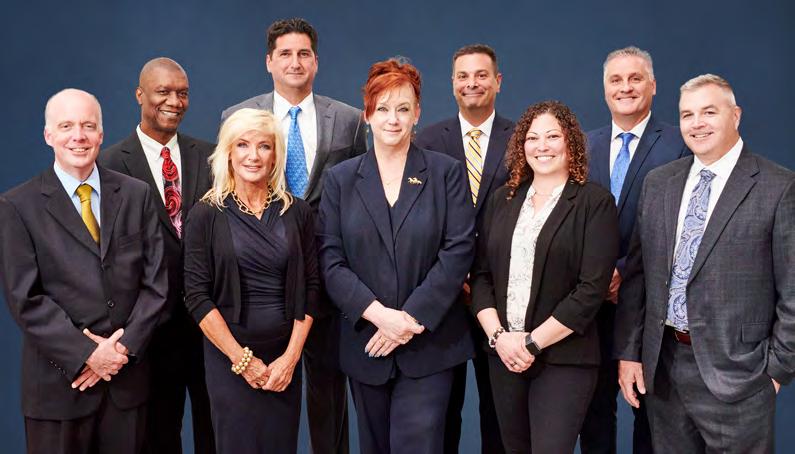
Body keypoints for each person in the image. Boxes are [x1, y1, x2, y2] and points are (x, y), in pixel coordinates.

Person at [614, 74, 795, 453]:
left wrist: (777, 370)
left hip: (740, 374)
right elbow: (639, 277)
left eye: (709, 112)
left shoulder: (778, 187)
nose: (697, 124)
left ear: (735, 115)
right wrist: (630, 353)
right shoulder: (659, 183)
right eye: (687, 115)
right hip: (664, 370)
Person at [222, 18, 366, 453]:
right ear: (269, 61)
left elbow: (359, 195)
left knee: (328, 393)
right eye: (285, 54)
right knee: (264, 398)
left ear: (316, 61)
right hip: (262, 280)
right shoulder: (239, 117)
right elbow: (229, 193)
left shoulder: (349, 120)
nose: (295, 62)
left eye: (304, 53)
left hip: (328, 275)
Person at [318, 58, 475, 454]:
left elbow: (458, 249)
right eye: (383, 108)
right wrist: (381, 317)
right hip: (367, 343)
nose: (393, 119)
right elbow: (331, 260)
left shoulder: (445, 173)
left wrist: (409, 319)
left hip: (430, 346)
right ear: (367, 113)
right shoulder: (340, 180)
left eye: (403, 109)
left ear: (417, 113)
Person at [0, 88, 167, 453]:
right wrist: (87, 353)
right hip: (58, 388)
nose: (79, 136)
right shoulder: (17, 206)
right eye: (67, 126)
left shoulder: (136, 194)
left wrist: (119, 350)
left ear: (101, 134)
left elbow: (156, 284)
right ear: (48, 135)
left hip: (126, 384)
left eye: (88, 126)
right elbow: (25, 299)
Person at [470, 100, 619, 453]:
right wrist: (499, 338)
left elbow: (591, 289)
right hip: (504, 355)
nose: (542, 146)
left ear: (571, 143)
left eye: (553, 136)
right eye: (533, 138)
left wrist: (532, 343)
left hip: (564, 358)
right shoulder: (502, 200)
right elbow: (481, 276)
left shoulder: (594, 203)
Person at [99, 57, 216, 454]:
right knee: (158, 437)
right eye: (163, 92)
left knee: (216, 434)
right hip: (147, 330)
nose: (174, 102)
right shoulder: (109, 165)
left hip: (210, 325)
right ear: (139, 95)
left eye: (182, 93)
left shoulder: (212, 157)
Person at [183, 108, 317, 453]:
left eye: (264, 146)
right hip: (229, 361)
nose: (253, 156)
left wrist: (290, 359)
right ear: (228, 152)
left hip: (283, 363)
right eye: (242, 145)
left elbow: (311, 289)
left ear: (275, 155)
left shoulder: (297, 212)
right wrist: (243, 361)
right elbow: (196, 297)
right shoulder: (205, 215)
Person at [580, 46, 689, 454]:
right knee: (594, 417)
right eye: (616, 80)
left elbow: (680, 225)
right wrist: (596, 277)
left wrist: (624, 270)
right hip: (592, 305)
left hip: (650, 304)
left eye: (635, 78)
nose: (625, 87)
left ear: (653, 85)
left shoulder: (679, 144)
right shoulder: (583, 145)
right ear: (604, 88)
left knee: (652, 416)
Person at [415, 44, 511, 454]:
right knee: (442, 414)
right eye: (463, 76)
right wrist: (452, 275)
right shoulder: (427, 140)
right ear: (453, 83)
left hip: (502, 296)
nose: (472, 83)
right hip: (444, 299)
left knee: (499, 413)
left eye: (481, 75)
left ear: (498, 81)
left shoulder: (521, 138)